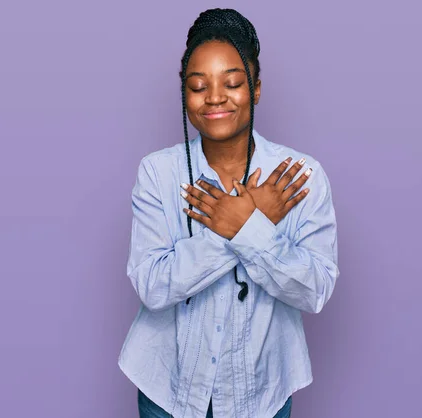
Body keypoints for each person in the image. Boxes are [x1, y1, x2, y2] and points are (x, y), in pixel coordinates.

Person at [118, 8, 339, 418]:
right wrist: (241, 226)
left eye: (232, 83)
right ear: (184, 93)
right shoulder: (158, 172)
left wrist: (247, 228)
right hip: (167, 389)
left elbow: (316, 290)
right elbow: (151, 285)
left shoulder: (300, 176)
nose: (215, 97)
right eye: (198, 86)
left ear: (255, 89)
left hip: (262, 393)